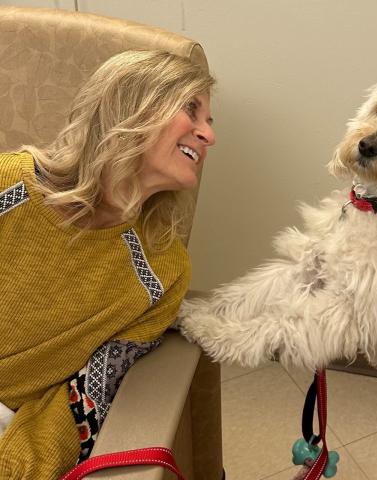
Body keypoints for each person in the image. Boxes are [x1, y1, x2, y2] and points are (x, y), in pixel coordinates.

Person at [0, 49, 216, 479]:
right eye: (191, 109)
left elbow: (83, 399)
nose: (208, 135)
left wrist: (16, 467)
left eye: (210, 122)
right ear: (131, 103)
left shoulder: (163, 273)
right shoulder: (8, 187)